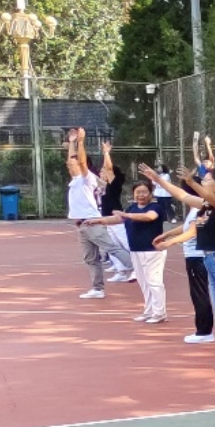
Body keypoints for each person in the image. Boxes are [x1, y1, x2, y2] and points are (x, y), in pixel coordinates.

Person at [145, 163, 215, 370]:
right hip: (211, 260)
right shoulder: (205, 207)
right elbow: (182, 196)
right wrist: (158, 180)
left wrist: (191, 182)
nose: (203, 183)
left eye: (207, 180)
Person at [82, 178, 167, 322]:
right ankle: (149, 311)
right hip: (136, 250)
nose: (141, 195)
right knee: (144, 282)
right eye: (138, 192)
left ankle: (159, 313)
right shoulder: (132, 208)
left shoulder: (156, 207)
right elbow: (117, 219)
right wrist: (98, 220)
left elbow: (148, 217)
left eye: (144, 192)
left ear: (151, 193)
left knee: (154, 282)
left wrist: (126, 215)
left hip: (153, 251)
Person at [66, 128, 132, 298]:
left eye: (72, 164)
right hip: (82, 224)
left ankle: (136, 268)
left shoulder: (86, 178)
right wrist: (72, 142)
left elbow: (81, 162)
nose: (69, 165)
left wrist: (81, 141)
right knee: (91, 258)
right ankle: (98, 289)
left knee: (112, 247)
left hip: (92, 221)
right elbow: (72, 159)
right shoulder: (75, 180)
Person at [177, 202, 215, 345]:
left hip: (197, 256)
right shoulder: (195, 209)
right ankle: (204, 330)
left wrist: (168, 243)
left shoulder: (200, 208)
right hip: (194, 256)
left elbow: (192, 232)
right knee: (199, 293)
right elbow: (186, 228)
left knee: (200, 294)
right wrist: (167, 235)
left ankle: (204, 331)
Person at [96, 148, 133, 283]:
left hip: (116, 217)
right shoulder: (102, 186)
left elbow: (109, 168)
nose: (101, 173)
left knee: (126, 243)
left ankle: (138, 267)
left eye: (104, 171)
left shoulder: (114, 184)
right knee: (112, 246)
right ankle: (121, 271)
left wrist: (106, 153)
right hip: (106, 218)